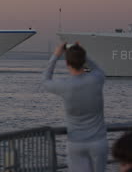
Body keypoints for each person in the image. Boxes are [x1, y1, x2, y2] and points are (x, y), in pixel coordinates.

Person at [43, 43, 108, 172]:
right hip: (98, 141)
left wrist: (56, 55)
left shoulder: (65, 86)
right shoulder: (97, 79)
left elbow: (45, 81)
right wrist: (83, 54)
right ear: (83, 61)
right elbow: (97, 69)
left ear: (67, 63)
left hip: (76, 142)